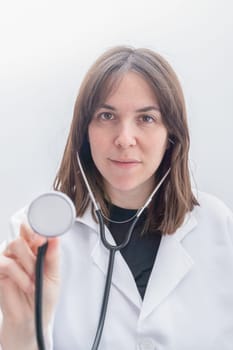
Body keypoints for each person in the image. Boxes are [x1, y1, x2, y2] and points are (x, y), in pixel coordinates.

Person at [0, 46, 233, 350]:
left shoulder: (219, 227)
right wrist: (22, 329)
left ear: (171, 135)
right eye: (106, 115)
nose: (124, 138)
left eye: (146, 118)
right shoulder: (33, 236)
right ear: (84, 131)